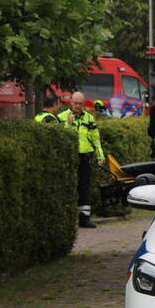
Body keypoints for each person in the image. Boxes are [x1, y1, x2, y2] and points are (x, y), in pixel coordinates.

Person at [58, 91, 106, 229]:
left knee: (84, 187)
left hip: (85, 156)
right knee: (69, 186)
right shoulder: (62, 117)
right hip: (69, 156)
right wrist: (69, 124)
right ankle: (69, 219)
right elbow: (61, 136)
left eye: (80, 104)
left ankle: (84, 219)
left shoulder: (89, 118)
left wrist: (100, 155)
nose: (78, 106)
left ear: (83, 104)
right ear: (71, 103)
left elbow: (95, 138)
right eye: (75, 103)